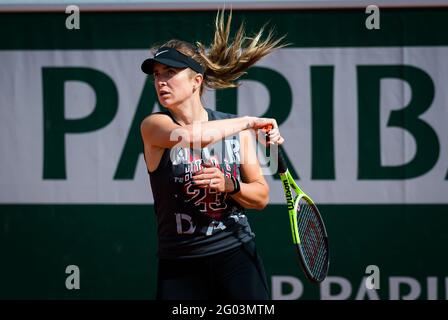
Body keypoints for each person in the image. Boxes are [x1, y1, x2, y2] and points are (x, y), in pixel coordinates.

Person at [140, 10, 285, 300]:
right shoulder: (154, 126)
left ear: (196, 81)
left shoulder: (235, 130)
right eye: (157, 75)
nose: (161, 81)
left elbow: (261, 197)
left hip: (236, 255)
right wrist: (250, 121)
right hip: (180, 265)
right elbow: (193, 136)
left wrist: (231, 186)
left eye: (170, 72)